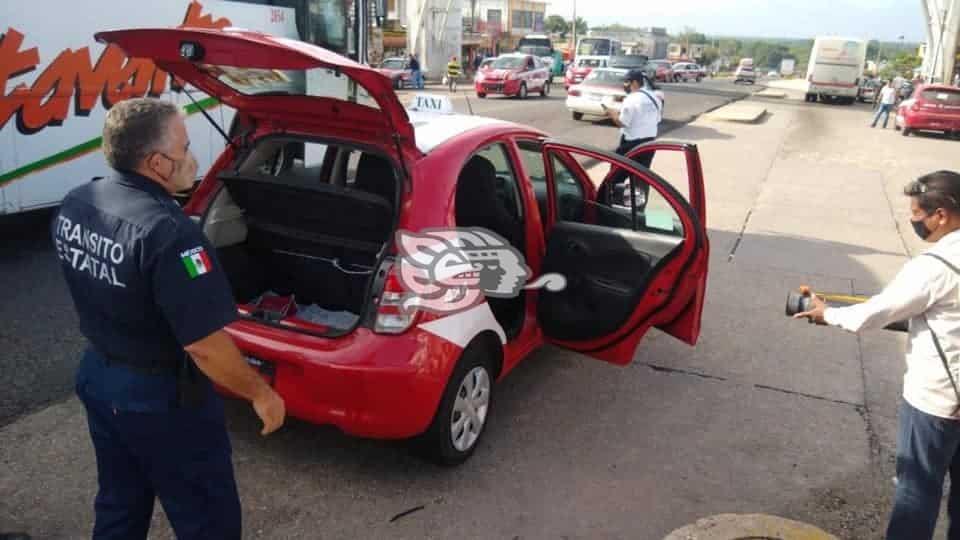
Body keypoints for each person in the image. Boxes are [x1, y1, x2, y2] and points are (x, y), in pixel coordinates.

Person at [52, 98, 286, 540]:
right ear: (157, 163)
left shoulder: (77, 202)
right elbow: (203, 345)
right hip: (163, 401)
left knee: (120, 503)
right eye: (185, 145)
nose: (190, 156)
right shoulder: (173, 234)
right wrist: (260, 394)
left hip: (100, 378)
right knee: (206, 519)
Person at [794, 170, 960, 540]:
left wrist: (827, 313)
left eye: (917, 213)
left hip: (938, 402)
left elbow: (875, 314)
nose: (912, 220)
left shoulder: (935, 268)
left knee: (917, 489)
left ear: (941, 215)